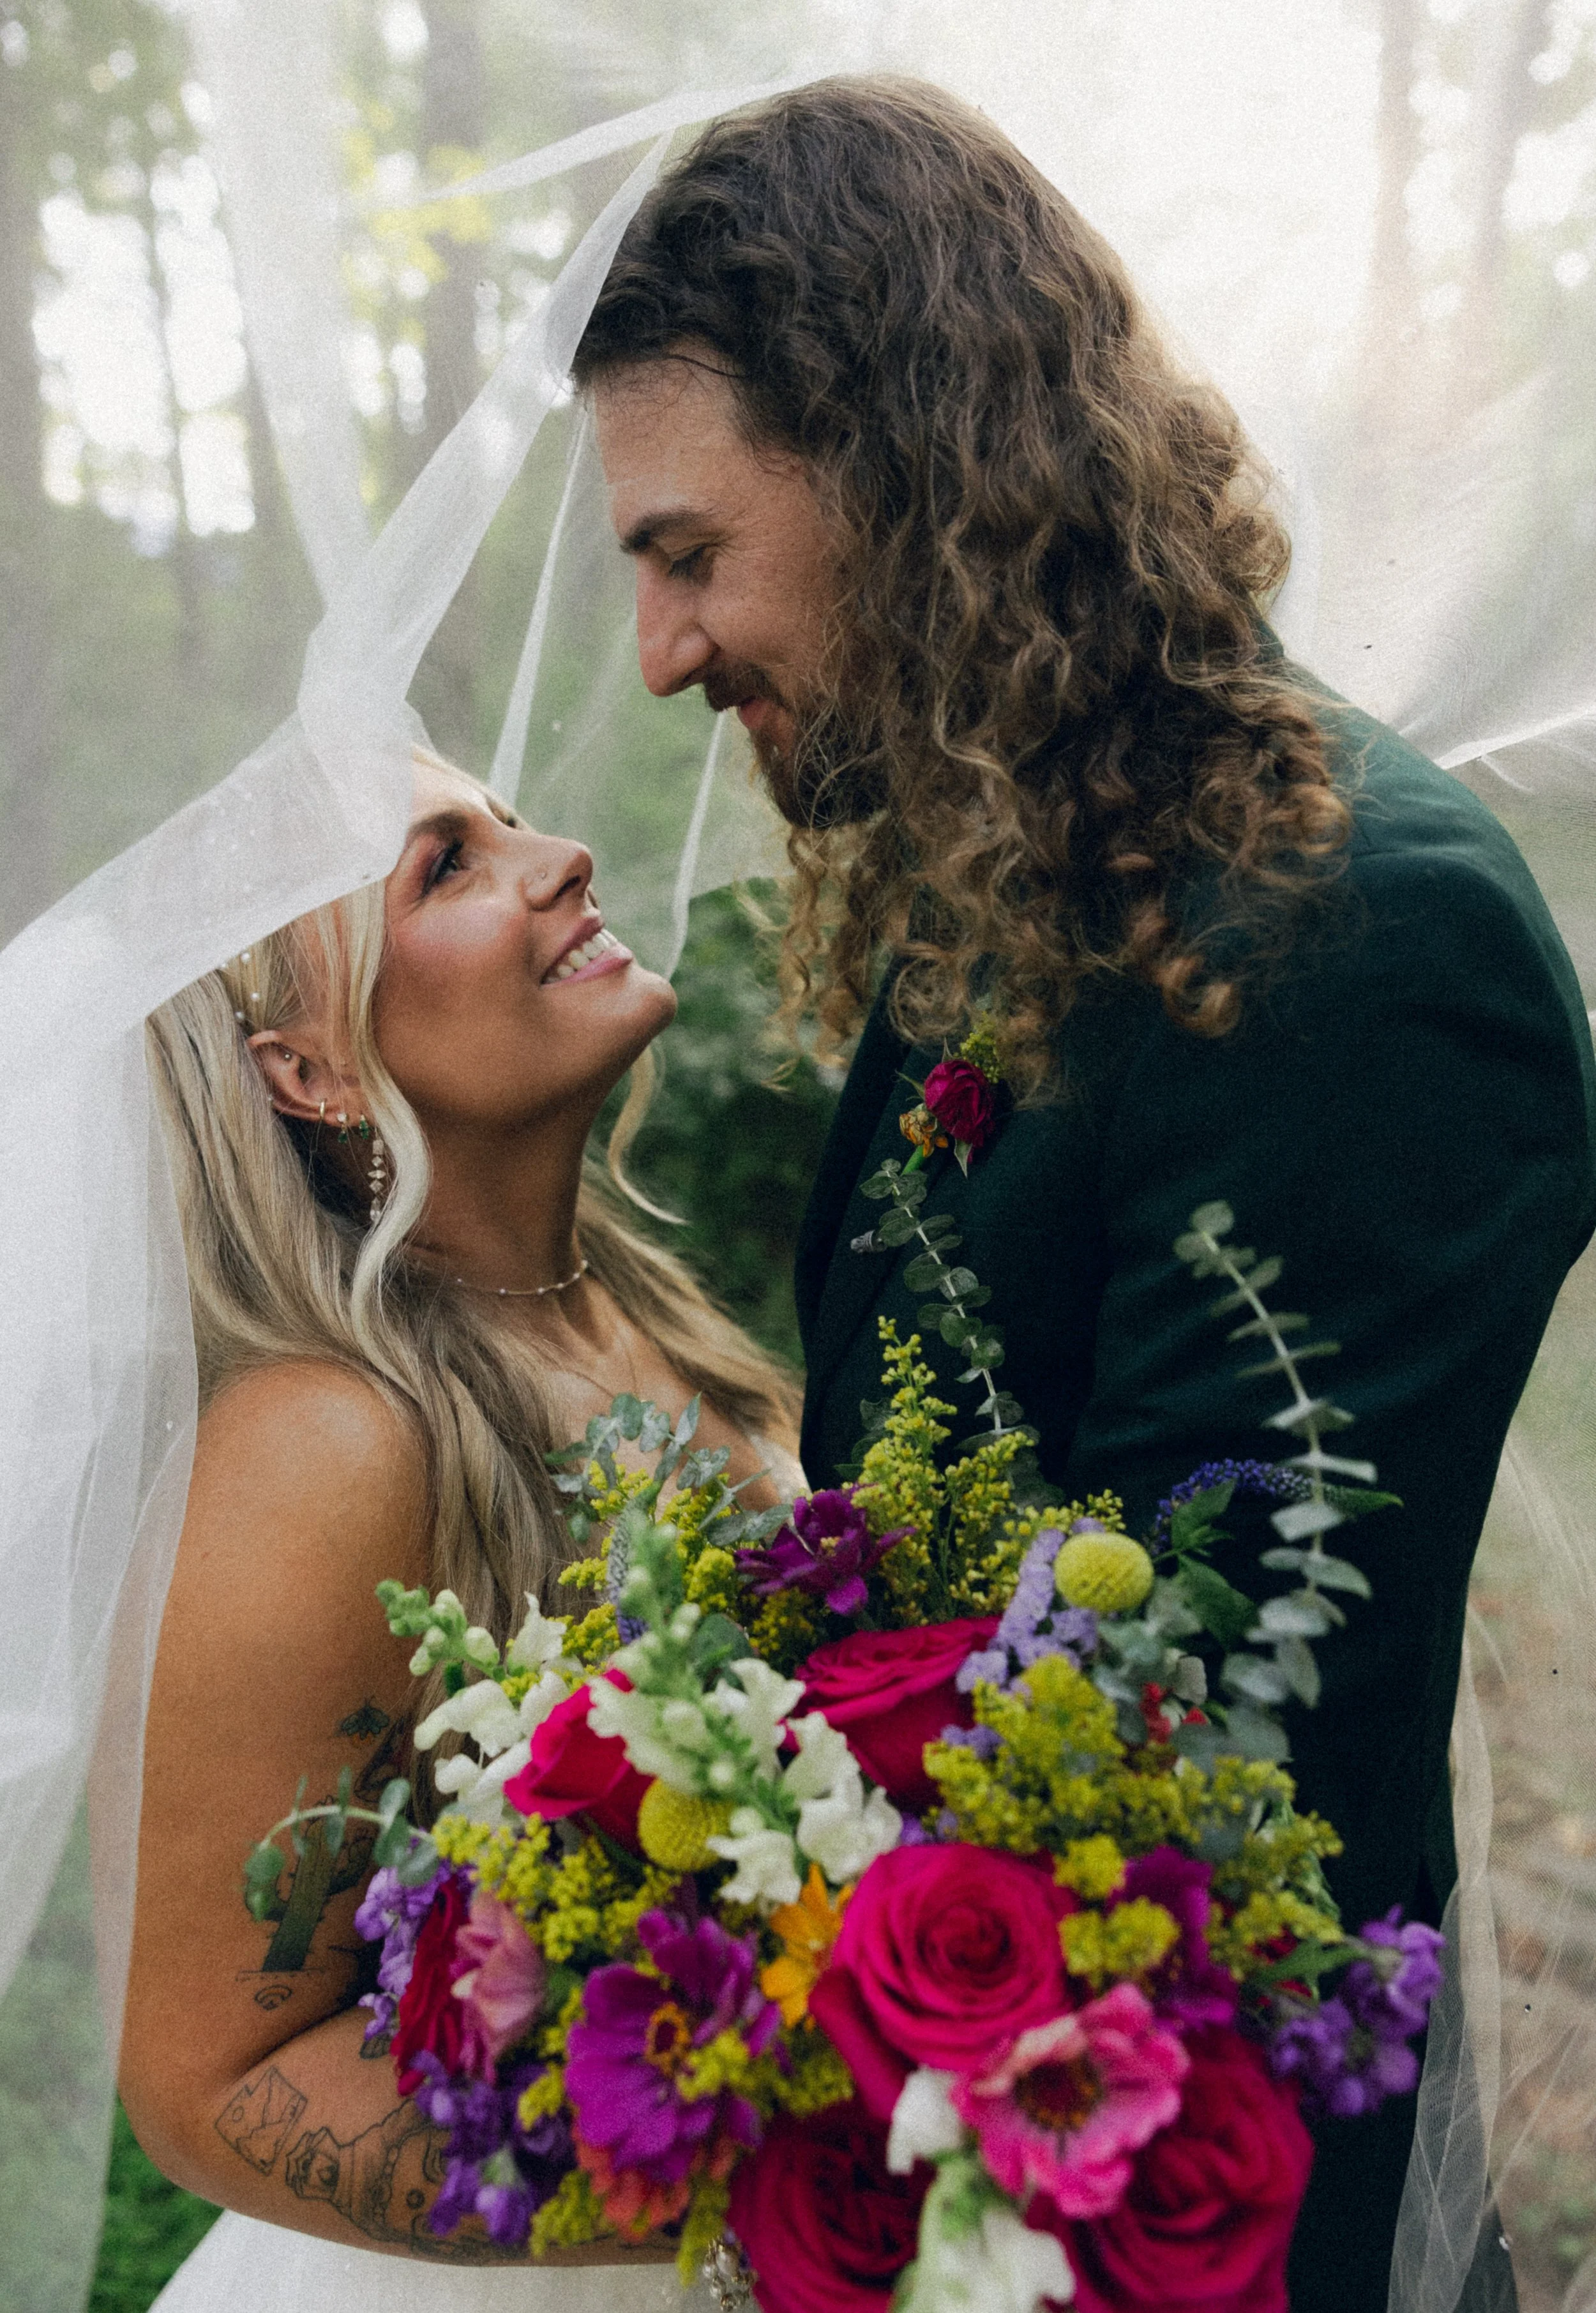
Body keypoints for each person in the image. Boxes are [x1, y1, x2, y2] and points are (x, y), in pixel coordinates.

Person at [573, 75, 1596, 2312]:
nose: (661, 651)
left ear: (899, 464)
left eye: (686, 550)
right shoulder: (1018, 887)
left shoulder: (1358, 939)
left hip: (1190, 2198)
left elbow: (1212, 1734)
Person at [121, 748, 797, 2308]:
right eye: (446, 865)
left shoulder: (631, 1308)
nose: (560, 854)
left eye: (510, 820)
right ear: (310, 1070)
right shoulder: (327, 1443)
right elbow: (206, 2080)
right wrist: (771, 2189)